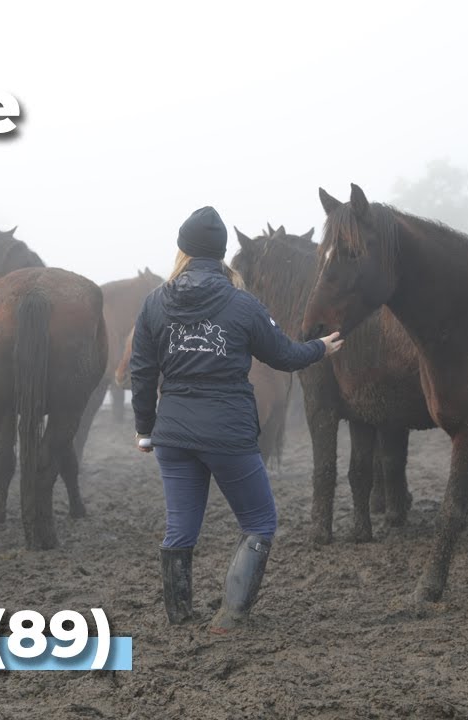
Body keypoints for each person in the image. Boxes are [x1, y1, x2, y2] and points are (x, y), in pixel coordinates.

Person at [129, 206, 342, 633]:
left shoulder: (155, 303)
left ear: (183, 250)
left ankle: (179, 615)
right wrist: (320, 347)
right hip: (228, 434)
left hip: (173, 436)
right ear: (222, 253)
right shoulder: (243, 304)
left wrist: (145, 429)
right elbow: (283, 355)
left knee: (180, 528)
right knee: (260, 522)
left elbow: (142, 371)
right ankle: (229, 617)